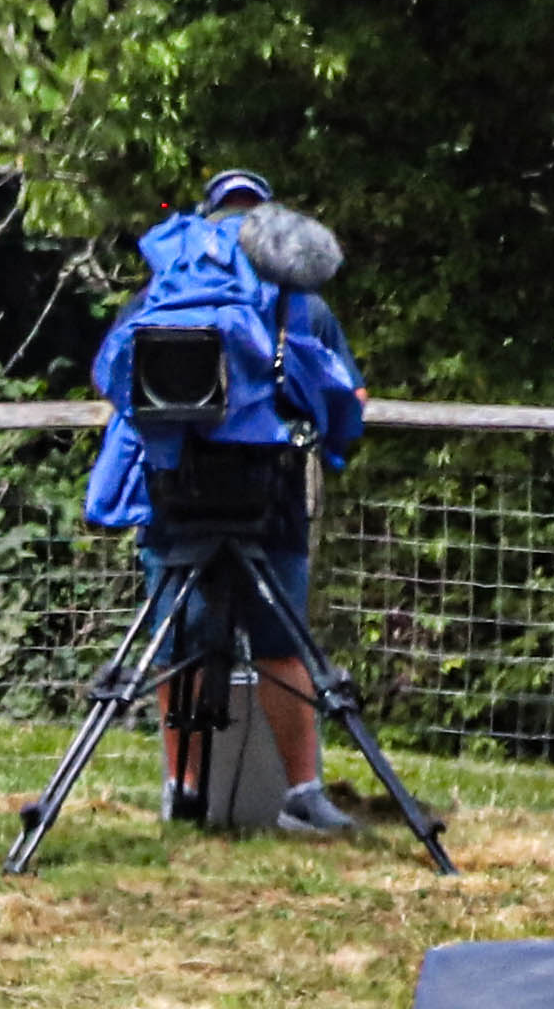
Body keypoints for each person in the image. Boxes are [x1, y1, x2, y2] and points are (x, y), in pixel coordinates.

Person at [88, 167, 370, 836]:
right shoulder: (301, 304)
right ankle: (302, 794)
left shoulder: (160, 294)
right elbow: (349, 398)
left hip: (174, 493)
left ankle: (181, 790)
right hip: (266, 498)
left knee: (174, 646)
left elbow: (113, 380)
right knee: (281, 644)